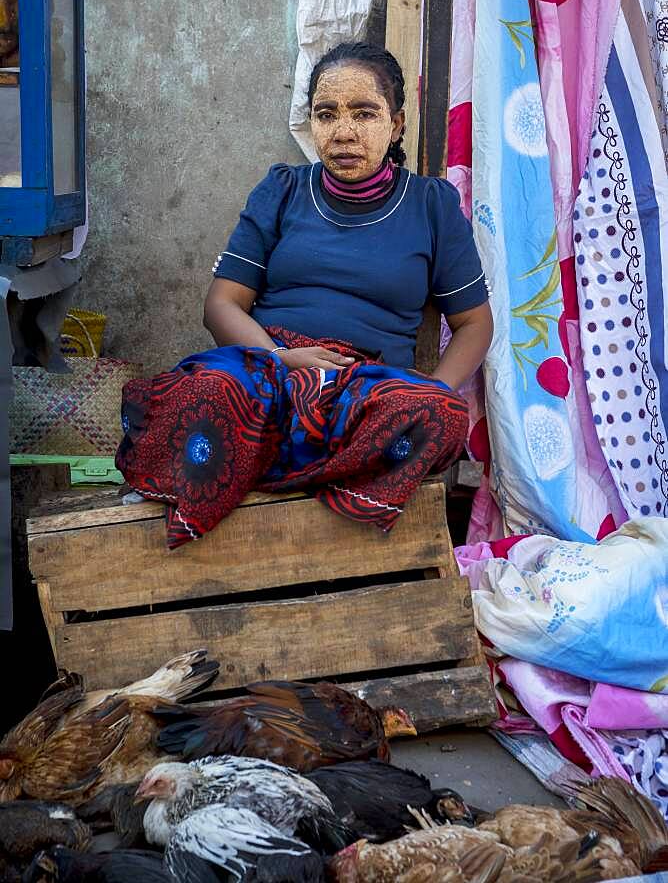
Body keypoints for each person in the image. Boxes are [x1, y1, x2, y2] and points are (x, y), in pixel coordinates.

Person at [117, 43, 493, 549]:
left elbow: (474, 324)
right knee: (208, 389)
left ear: (397, 124)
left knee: (439, 416)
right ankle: (306, 466)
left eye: (364, 113)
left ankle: (257, 467)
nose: (342, 133)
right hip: (268, 374)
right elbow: (222, 304)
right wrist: (284, 358)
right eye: (326, 114)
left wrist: (438, 386)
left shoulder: (432, 206)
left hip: (361, 388)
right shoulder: (283, 190)